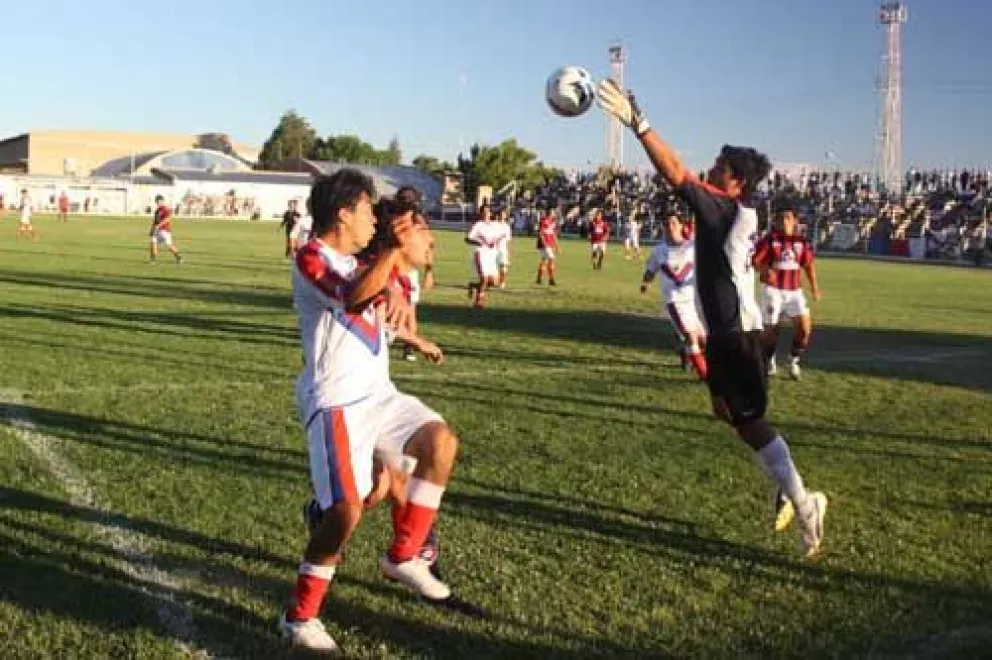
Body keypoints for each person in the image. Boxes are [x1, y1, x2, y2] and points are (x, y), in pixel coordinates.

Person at [597, 78, 827, 559]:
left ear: (736, 182)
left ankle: (806, 504)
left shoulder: (728, 209)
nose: (711, 169)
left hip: (737, 336)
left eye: (720, 167)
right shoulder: (728, 211)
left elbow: (676, 172)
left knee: (749, 421)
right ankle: (789, 483)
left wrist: (638, 123)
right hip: (730, 334)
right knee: (727, 412)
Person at [280, 169, 465, 653]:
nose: (371, 220)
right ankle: (299, 617)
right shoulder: (311, 258)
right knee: (346, 511)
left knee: (439, 442)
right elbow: (356, 294)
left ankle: (405, 555)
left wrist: (409, 329)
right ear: (343, 213)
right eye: (366, 210)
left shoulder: (356, 257)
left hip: (379, 394)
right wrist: (393, 259)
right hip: (337, 402)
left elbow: (376, 297)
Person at [752, 201, 823, 380]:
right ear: (776, 221)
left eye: (788, 218)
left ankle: (793, 361)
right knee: (770, 332)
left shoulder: (801, 241)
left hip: (794, 292)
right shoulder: (769, 239)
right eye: (781, 218)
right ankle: (770, 361)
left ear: (795, 221)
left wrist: (815, 288)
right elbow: (755, 262)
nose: (784, 221)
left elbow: (808, 266)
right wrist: (765, 270)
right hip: (773, 291)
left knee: (805, 329)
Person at [640, 213, 708, 381]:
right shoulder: (658, 250)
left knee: (704, 340)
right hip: (675, 301)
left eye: (673, 222)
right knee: (690, 336)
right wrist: (646, 283)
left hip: (694, 300)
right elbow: (650, 270)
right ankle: (706, 375)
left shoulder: (692, 247)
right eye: (666, 223)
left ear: (681, 226)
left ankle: (685, 352)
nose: (670, 226)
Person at [464, 204, 501, 308]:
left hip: (491, 255)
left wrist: (495, 242)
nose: (486, 213)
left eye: (488, 211)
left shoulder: (495, 225)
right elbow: (467, 239)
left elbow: (498, 237)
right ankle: (479, 301)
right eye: (483, 211)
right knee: (484, 278)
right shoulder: (478, 225)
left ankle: (473, 286)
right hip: (480, 253)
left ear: (491, 213)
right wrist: (478, 243)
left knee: (494, 282)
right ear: (480, 213)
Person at [149, 195, 183, 264]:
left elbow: (167, 219)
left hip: (165, 230)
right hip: (157, 230)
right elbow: (155, 221)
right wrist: (152, 229)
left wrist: (159, 225)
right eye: (156, 201)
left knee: (169, 245)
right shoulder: (157, 211)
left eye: (158, 201)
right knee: (153, 243)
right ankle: (153, 260)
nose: (157, 203)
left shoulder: (166, 209)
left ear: (162, 201)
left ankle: (179, 257)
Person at [535, 208, 559, 286]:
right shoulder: (544, 220)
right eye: (553, 212)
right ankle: (551, 279)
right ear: (549, 212)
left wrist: (556, 244)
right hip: (544, 243)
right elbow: (541, 233)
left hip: (549, 243)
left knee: (544, 260)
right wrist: (544, 242)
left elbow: (553, 234)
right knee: (551, 259)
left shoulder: (553, 221)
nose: (554, 213)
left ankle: (539, 278)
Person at [495, 209, 513, 289]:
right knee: (494, 267)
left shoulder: (507, 226)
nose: (502, 216)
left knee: (504, 266)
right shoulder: (494, 225)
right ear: (498, 215)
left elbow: (508, 240)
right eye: (501, 214)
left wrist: (508, 251)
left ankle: (502, 282)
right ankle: (494, 281)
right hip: (493, 249)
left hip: (503, 249)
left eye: (504, 214)